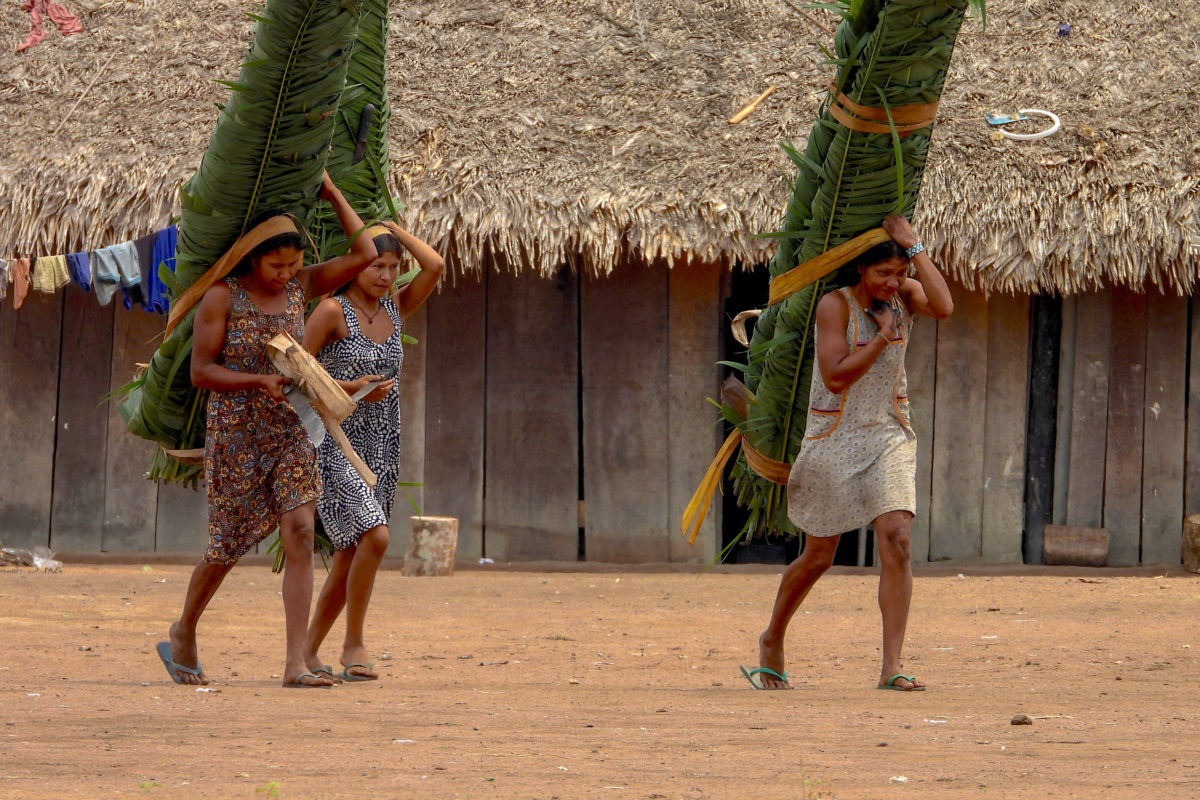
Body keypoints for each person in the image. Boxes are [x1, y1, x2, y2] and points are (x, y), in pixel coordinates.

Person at [156, 173, 378, 688]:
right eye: (276, 264)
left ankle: (295, 663)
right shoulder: (222, 296)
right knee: (225, 548)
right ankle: (184, 629)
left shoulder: (301, 289)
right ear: (253, 259)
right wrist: (258, 380)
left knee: (299, 531)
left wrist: (330, 193)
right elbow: (201, 372)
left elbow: (365, 252)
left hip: (292, 429)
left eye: (294, 264)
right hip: (237, 436)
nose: (286, 273)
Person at [743, 214, 954, 692]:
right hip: (833, 433)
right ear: (861, 270)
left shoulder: (906, 297)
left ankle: (892, 664)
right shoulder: (834, 306)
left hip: (888, 431)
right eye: (883, 273)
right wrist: (881, 336)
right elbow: (837, 376)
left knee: (897, 536)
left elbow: (945, 305)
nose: (892, 283)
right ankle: (773, 636)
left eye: (900, 274)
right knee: (819, 555)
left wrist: (913, 246)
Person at [301, 221, 444, 682]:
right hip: (333, 441)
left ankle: (307, 652)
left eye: (393, 267)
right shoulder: (330, 311)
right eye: (376, 264)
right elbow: (294, 376)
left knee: (350, 553)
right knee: (377, 537)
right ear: (356, 264)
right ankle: (354, 642)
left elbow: (436, 264)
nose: (385, 275)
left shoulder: (397, 309)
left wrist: (392, 228)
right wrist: (349, 387)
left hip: (382, 444)